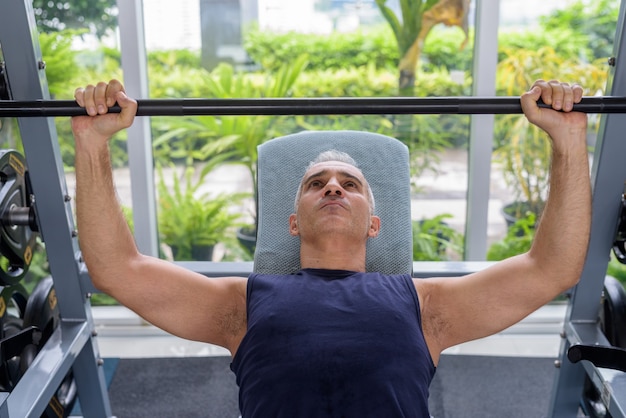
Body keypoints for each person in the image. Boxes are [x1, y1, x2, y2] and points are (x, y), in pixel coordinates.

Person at [71, 79, 590, 417]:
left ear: (375, 225)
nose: (334, 187)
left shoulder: (427, 306)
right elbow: (118, 270)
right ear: (292, 222)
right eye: (317, 182)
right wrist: (93, 145)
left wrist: (567, 140)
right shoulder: (240, 304)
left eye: (350, 183)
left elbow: (552, 268)